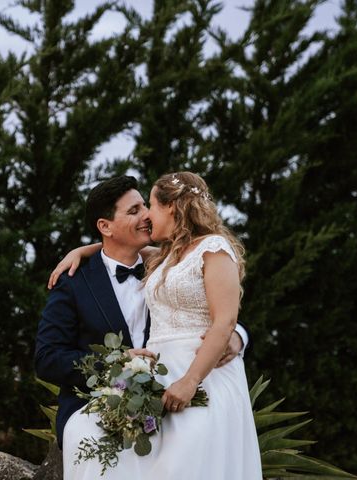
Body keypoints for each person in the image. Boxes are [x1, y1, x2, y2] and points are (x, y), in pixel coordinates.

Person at [34, 175, 253, 479]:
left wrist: (238, 336)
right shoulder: (74, 283)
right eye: (134, 210)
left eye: (145, 206)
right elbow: (46, 359)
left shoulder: (167, 260)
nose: (146, 216)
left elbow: (216, 313)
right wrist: (114, 366)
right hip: (106, 402)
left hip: (179, 386)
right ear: (105, 226)